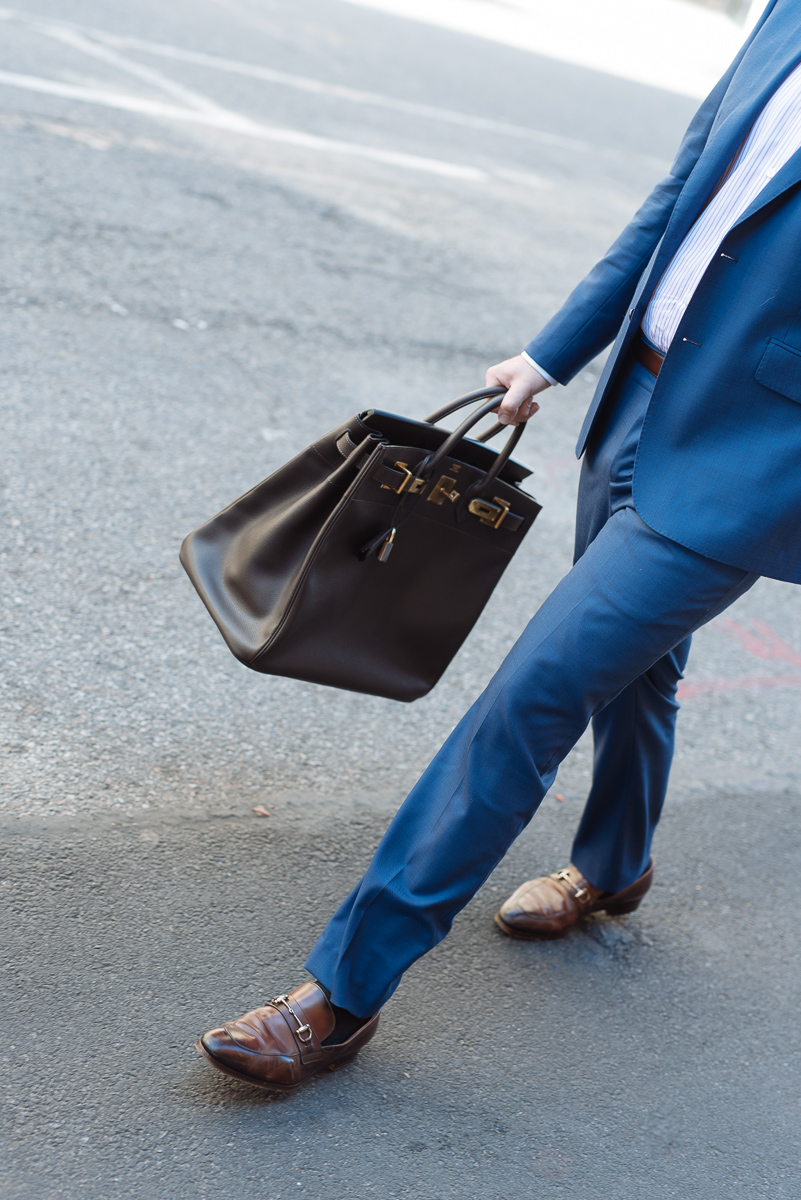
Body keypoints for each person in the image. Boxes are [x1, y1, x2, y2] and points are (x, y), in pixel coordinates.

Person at [195, 0, 801, 1092]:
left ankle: (341, 992)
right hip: (637, 408)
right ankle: (616, 868)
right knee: (638, 672)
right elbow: (682, 198)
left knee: (535, 693)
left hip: (746, 460)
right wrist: (554, 354)